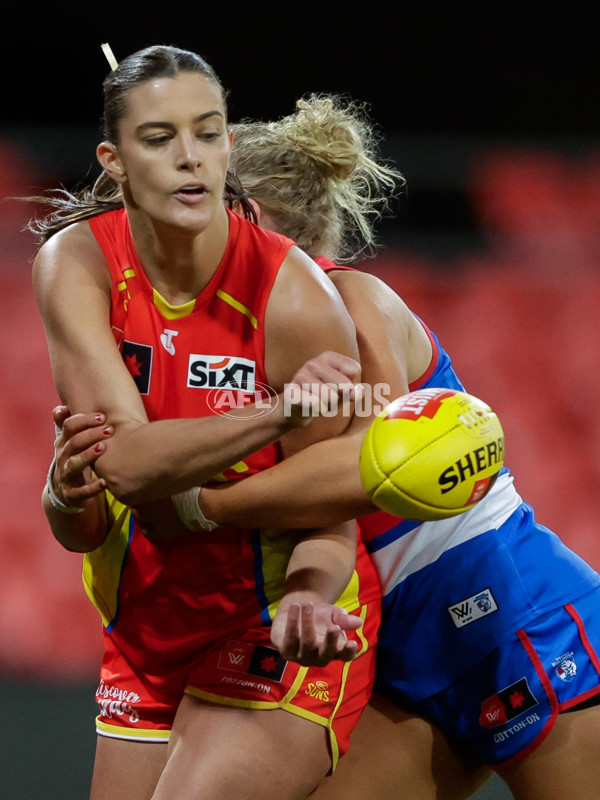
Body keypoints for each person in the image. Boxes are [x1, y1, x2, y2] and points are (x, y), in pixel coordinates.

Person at [47, 94, 600, 800]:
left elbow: (362, 471)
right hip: (376, 644)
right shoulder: (197, 345)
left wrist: (200, 504)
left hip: (507, 613)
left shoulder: (353, 304)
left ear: (243, 218)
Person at [30, 46, 382, 800]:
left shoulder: (295, 297)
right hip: (145, 629)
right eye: (159, 139)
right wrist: (66, 497)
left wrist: (309, 596)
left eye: (209, 132)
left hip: (273, 619)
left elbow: (332, 506)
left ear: (229, 145)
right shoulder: (77, 265)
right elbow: (116, 476)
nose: (190, 159)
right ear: (114, 159)